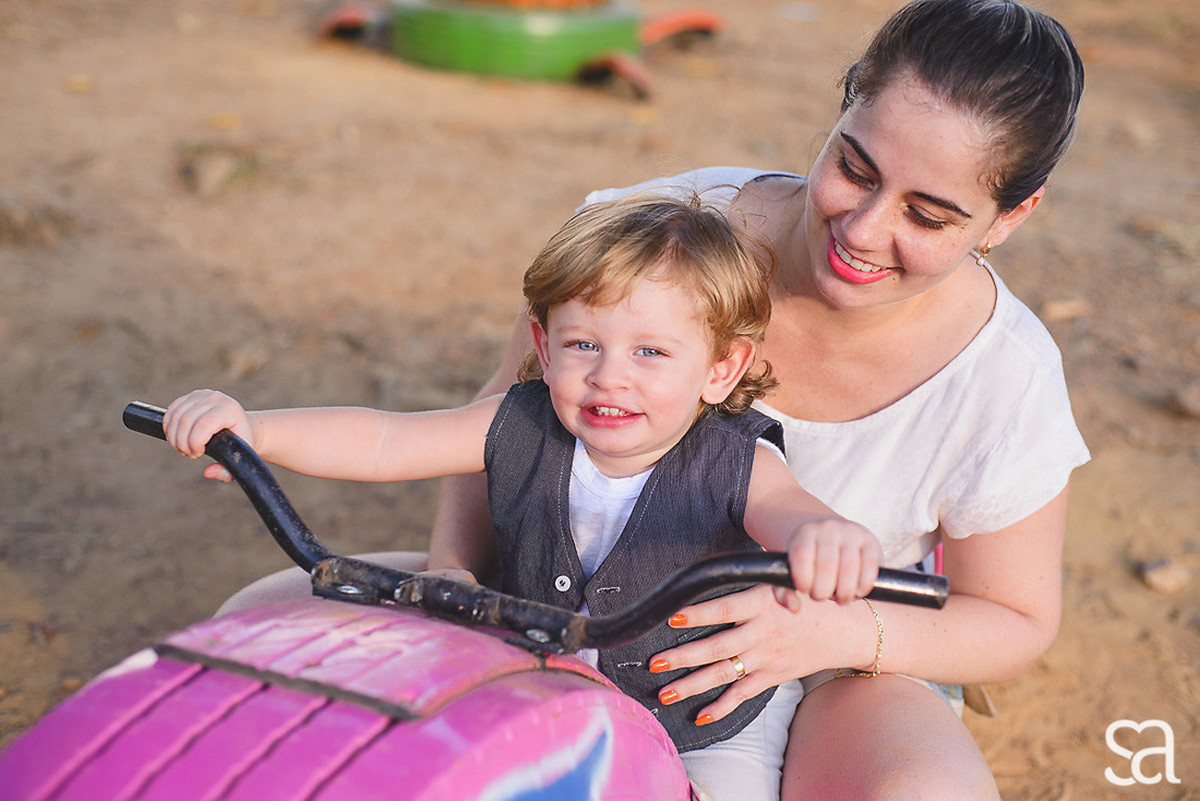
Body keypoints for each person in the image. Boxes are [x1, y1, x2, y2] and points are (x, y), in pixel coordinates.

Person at [428, 0, 1090, 796]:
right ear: (844, 103)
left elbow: (1013, 618)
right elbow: (499, 423)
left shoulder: (1005, 377)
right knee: (275, 633)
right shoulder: (650, 242)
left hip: (847, 658)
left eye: (927, 214)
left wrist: (833, 631)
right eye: (855, 168)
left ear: (1010, 217)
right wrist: (453, 573)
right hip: (564, 602)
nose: (864, 229)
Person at [163, 194, 885, 801]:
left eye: (651, 352)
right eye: (583, 345)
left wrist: (825, 536)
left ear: (721, 369)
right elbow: (385, 439)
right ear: (542, 346)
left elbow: (795, 513)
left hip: (696, 713)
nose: (610, 377)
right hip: (532, 671)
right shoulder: (521, 420)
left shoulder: (735, 460)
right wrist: (254, 428)